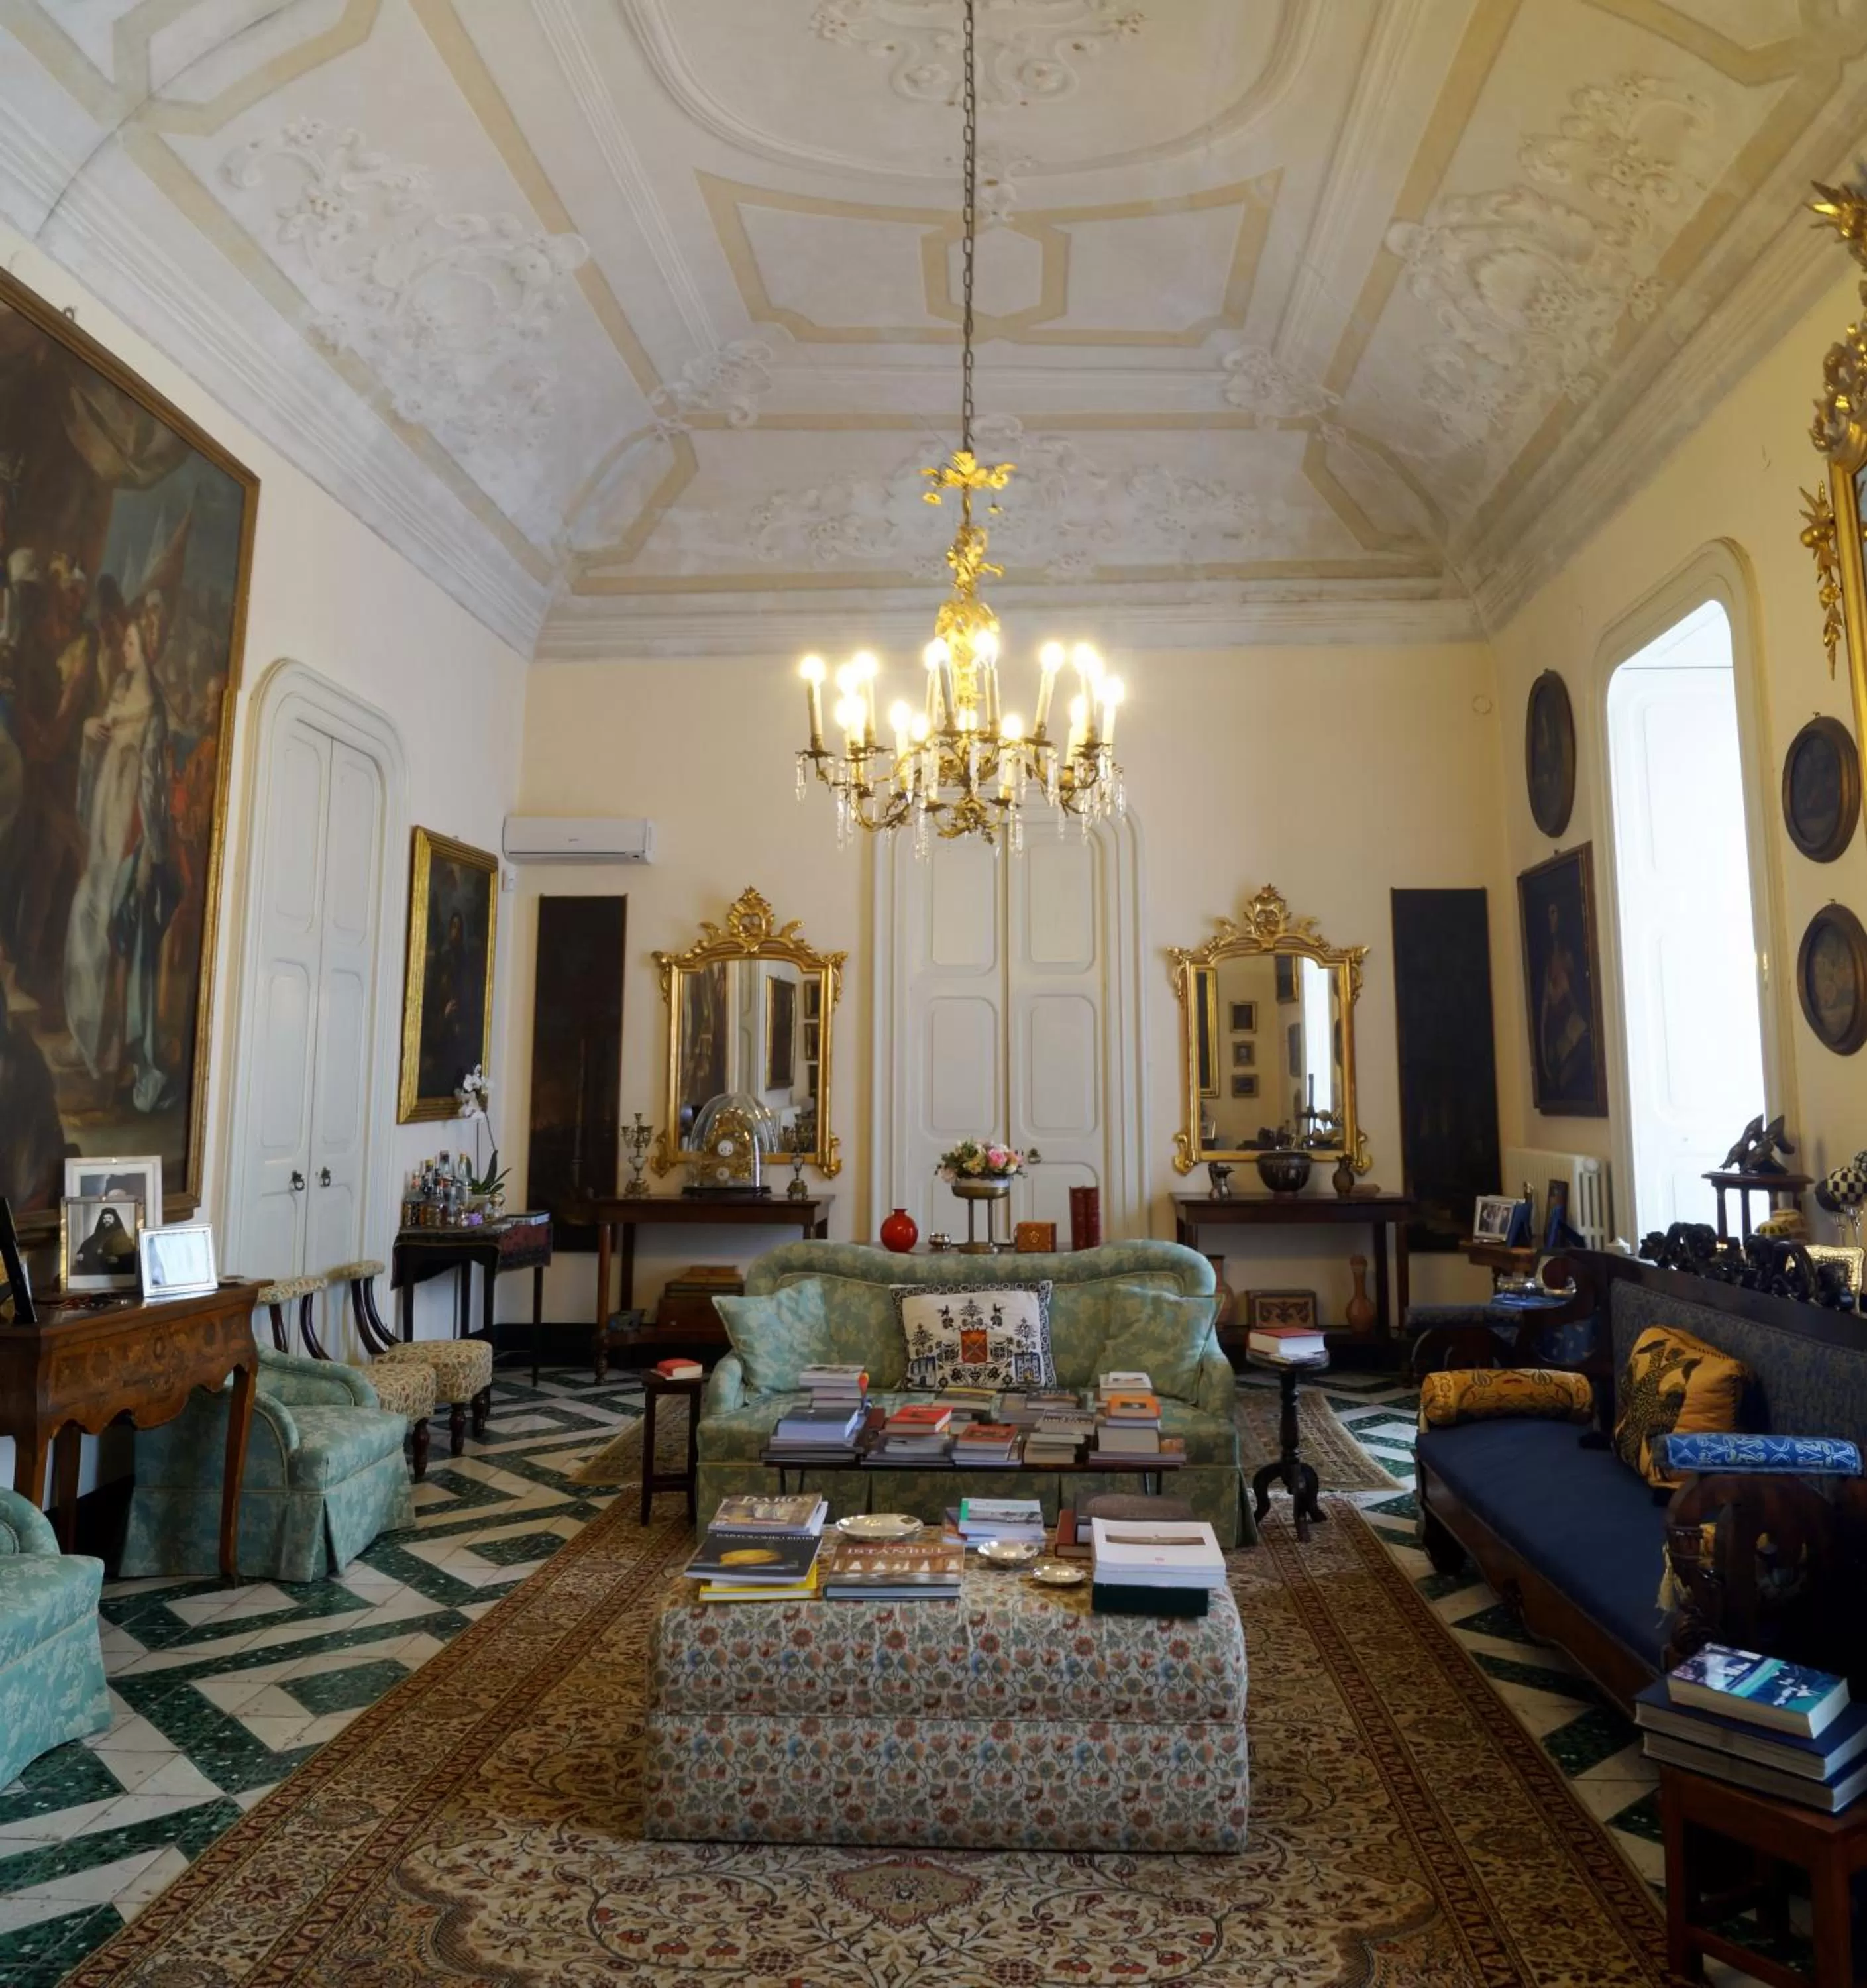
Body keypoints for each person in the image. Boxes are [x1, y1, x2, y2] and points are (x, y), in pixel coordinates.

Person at [1536, 897, 1592, 1098]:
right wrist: (1544, 1059)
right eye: (1552, 913)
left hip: (1575, 1034)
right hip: (1557, 1043)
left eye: (1558, 913)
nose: (1555, 919)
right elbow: (1544, 1015)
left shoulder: (1570, 958)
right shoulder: (1548, 964)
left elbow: (1582, 1009)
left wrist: (1568, 990)